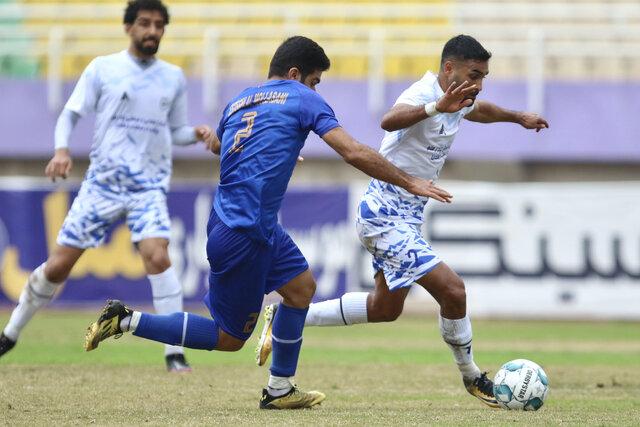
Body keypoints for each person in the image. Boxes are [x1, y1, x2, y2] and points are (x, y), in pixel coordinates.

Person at [82, 35, 453, 410]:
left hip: (247, 223)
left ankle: (279, 389)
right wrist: (409, 181)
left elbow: (221, 146)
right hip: (245, 231)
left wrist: (279, 147)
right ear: (295, 74)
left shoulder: (239, 100)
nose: (314, 89)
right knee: (228, 338)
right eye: (314, 81)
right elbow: (353, 150)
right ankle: (126, 320)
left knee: (301, 289)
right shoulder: (302, 97)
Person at [255, 34, 550, 408]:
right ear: (449, 69)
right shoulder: (425, 92)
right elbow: (388, 120)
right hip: (383, 214)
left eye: (483, 77)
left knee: (385, 309)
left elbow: (477, 110)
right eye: (474, 74)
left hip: (406, 218)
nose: (478, 85)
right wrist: (434, 108)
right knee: (453, 291)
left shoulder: (460, 98)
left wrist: (517, 117)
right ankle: (473, 376)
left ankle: (287, 316)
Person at [0, 0, 216, 372]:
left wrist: (195, 134)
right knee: (58, 267)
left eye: (159, 25)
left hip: (147, 186)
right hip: (102, 183)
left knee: (158, 256)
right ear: (129, 27)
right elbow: (70, 113)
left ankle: (174, 353)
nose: (152, 31)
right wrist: (62, 150)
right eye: (145, 24)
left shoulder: (173, 78)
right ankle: (11, 333)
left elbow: (175, 130)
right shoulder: (104, 68)